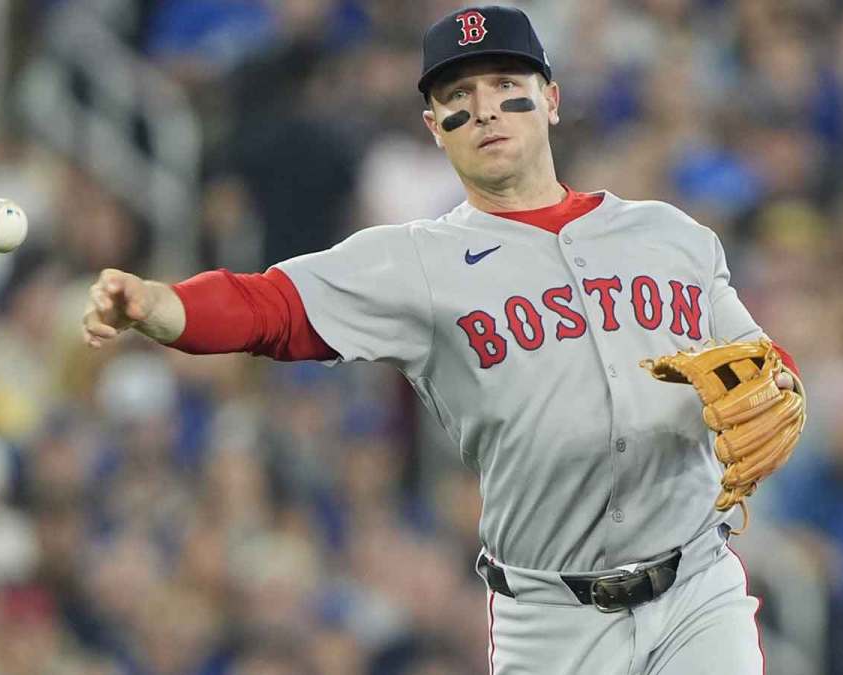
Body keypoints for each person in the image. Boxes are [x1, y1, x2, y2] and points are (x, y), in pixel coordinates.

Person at [82, 6, 802, 673]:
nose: (483, 106)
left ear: (549, 98)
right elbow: (272, 307)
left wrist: (779, 386)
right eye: (457, 95)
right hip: (555, 618)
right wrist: (157, 304)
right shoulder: (416, 263)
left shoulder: (670, 236)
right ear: (434, 125)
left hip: (698, 587)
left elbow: (764, 364)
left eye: (503, 82)